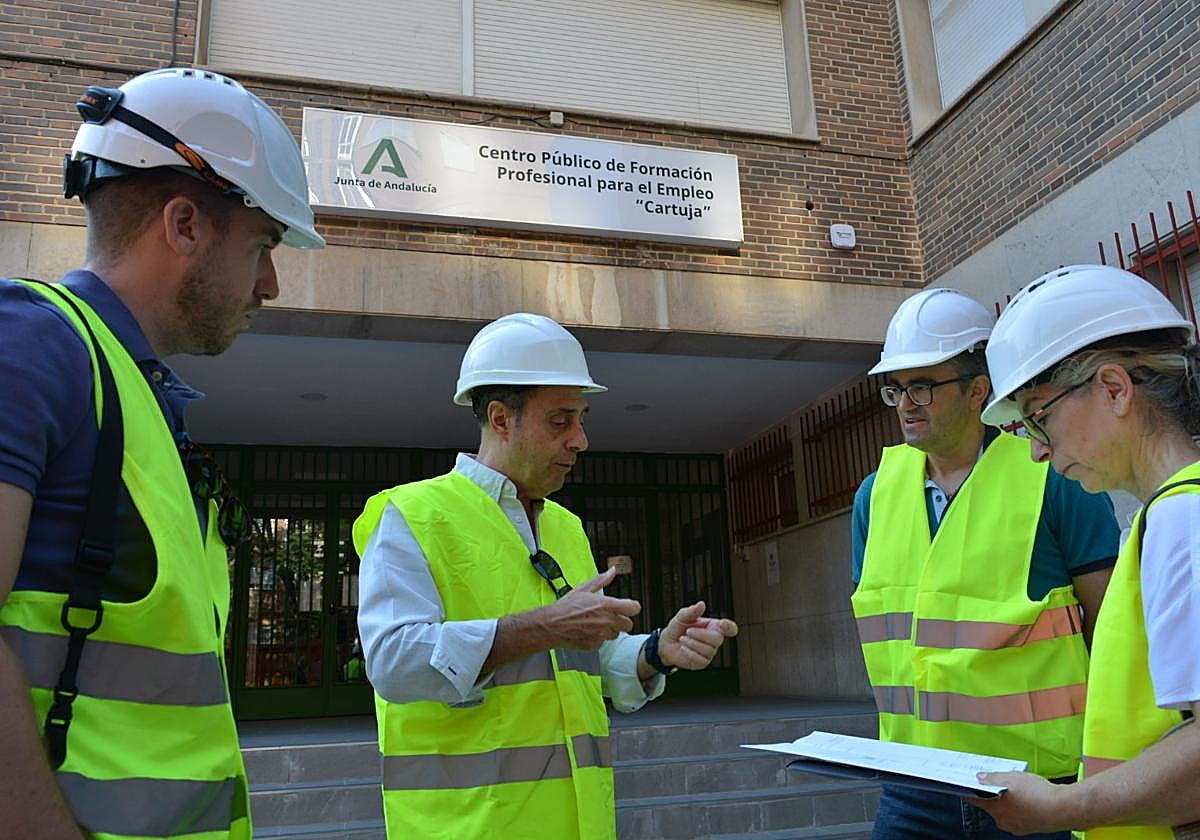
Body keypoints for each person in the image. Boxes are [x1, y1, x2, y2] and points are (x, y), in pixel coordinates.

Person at [0, 68, 324, 839]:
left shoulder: (135, 393)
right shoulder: (33, 344)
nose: (271, 284)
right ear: (184, 225)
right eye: (265, 245)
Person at [353, 312, 739, 839]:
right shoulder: (412, 516)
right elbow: (394, 662)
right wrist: (543, 626)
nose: (580, 439)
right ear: (500, 418)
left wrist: (653, 653)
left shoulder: (566, 528)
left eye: (581, 418)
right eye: (560, 420)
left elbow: (581, 666)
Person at [850, 287, 1121, 840]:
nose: (906, 403)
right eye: (896, 389)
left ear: (979, 390)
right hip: (913, 787)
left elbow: (1115, 635)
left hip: (1037, 789)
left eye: (923, 386)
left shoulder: (1058, 477)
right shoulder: (873, 496)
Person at [970, 264, 1200, 837]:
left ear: (1115, 389)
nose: (1037, 453)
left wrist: (1061, 807)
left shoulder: (1183, 520)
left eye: (1039, 419)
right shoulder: (1166, 514)